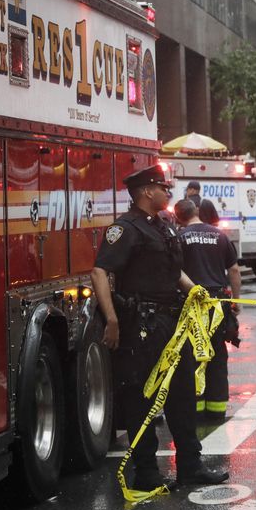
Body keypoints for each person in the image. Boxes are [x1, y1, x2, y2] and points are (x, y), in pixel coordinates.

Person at [90, 165, 228, 491]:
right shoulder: (125, 229)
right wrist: (111, 319)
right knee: (142, 399)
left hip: (172, 324)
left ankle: (191, 468)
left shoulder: (163, 226)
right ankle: (147, 475)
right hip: (142, 326)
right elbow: (99, 272)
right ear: (147, 192)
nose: (168, 192)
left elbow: (174, 271)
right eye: (163, 187)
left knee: (181, 395)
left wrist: (197, 291)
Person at [175, 199, 242, 424]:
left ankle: (196, 408)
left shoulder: (179, 238)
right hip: (218, 304)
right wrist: (237, 301)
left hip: (191, 305)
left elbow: (174, 272)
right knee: (217, 354)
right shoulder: (219, 236)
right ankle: (216, 409)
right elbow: (233, 269)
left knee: (193, 356)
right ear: (196, 212)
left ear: (178, 218)